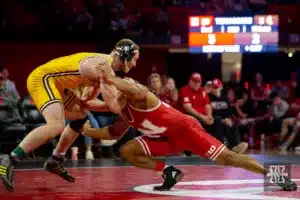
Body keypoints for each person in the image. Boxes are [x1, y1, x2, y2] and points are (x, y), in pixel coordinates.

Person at [81, 75, 296, 191]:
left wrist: (107, 77)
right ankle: (169, 172)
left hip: (187, 130)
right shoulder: (124, 113)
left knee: (228, 159)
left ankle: (276, 176)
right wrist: (87, 130)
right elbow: (112, 133)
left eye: (120, 90)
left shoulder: (140, 96)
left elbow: (136, 88)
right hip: (166, 138)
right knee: (127, 150)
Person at [0, 39, 140, 192]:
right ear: (126, 55)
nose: (134, 64)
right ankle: (9, 159)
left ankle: (56, 159)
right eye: (134, 59)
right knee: (56, 125)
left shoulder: (104, 69)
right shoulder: (103, 68)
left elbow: (87, 102)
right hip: (43, 78)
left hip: (59, 84)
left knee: (81, 116)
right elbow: (114, 106)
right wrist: (129, 97)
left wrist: (120, 98)